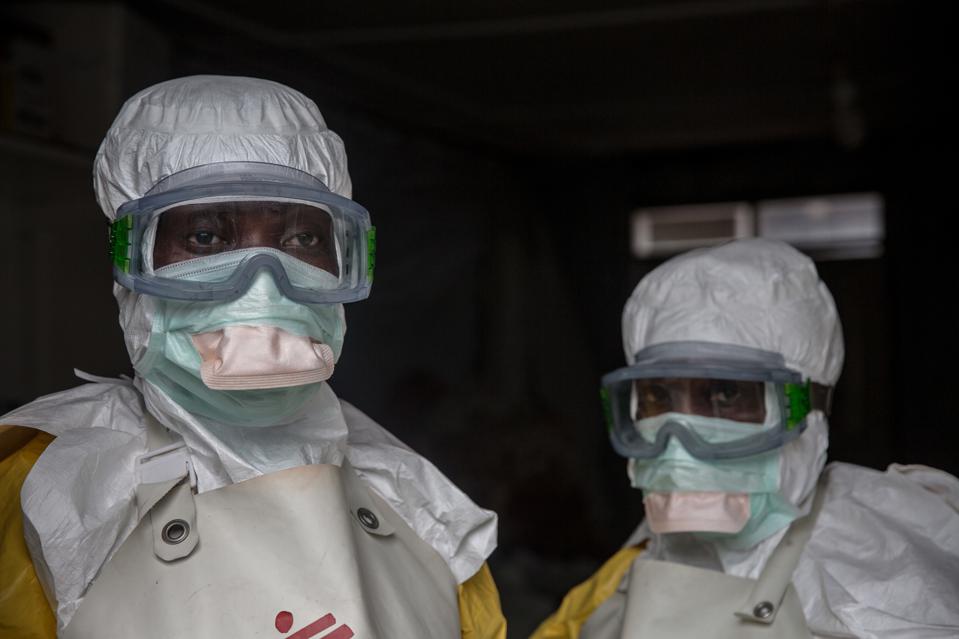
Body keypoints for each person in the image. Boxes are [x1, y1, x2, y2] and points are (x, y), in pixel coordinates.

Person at [0, 75, 505, 638]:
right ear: (131, 261)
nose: (262, 287)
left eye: (303, 240)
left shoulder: (417, 503)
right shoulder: (54, 491)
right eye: (207, 239)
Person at [532, 238, 959, 638]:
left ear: (806, 410)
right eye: (658, 396)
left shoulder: (885, 581)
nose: (679, 441)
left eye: (726, 394)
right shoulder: (630, 567)